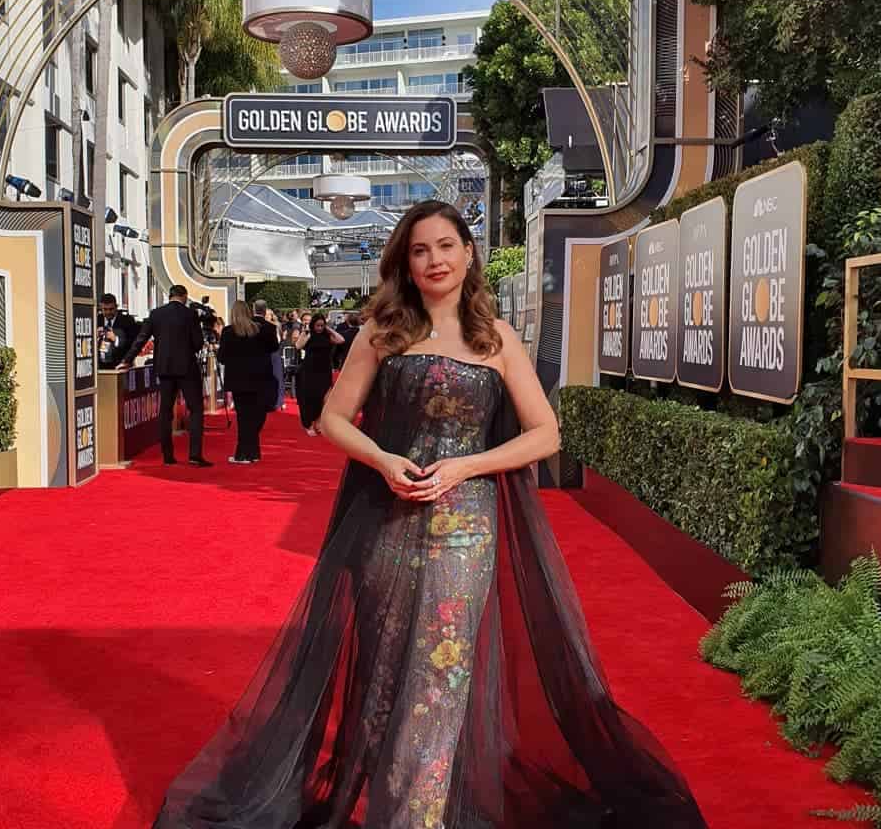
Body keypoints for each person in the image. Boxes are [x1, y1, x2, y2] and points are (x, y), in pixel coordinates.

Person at [152, 200, 707, 829]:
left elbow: (545, 433)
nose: (434, 260)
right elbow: (333, 418)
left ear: (468, 253)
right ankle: (391, 798)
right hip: (385, 522)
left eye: (445, 246)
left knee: (441, 674)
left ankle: (415, 817)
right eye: (420, 250)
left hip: (465, 528)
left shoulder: (497, 339)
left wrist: (467, 466)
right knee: (385, 670)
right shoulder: (382, 332)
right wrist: (383, 459)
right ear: (406, 264)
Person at [119, 284, 208, 467]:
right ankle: (194, 455)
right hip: (187, 367)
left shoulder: (156, 314)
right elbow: (198, 342)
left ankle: (167, 456)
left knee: (165, 411)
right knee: (196, 409)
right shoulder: (190, 314)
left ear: (170, 296)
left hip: (164, 367)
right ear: (184, 296)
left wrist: (127, 360)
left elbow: (141, 338)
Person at [217, 300, 278, 464]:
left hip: (239, 380)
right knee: (255, 415)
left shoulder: (228, 332)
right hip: (260, 379)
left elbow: (221, 357)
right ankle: (251, 452)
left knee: (244, 417)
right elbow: (273, 348)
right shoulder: (262, 330)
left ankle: (244, 453)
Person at [294, 312, 344, 436]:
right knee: (310, 399)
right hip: (309, 371)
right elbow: (298, 346)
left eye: (322, 325)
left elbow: (341, 340)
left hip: (324, 370)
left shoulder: (327, 335)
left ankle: (319, 422)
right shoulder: (308, 334)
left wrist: (328, 329)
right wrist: (306, 333)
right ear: (313, 324)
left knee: (325, 399)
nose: (320, 328)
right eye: (318, 325)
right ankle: (309, 424)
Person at [253, 300, 287, 411]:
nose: (267, 316)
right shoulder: (260, 326)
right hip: (265, 354)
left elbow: (278, 341)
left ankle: (279, 401)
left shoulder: (274, 326)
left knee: (277, 377)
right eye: (266, 314)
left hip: (274, 355)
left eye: (269, 315)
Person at [96, 293, 138, 369]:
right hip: (100, 366)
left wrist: (116, 339)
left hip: (120, 365)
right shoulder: (96, 320)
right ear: (101, 308)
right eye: (105, 309)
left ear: (116, 307)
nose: (108, 312)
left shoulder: (127, 321)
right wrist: (96, 337)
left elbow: (133, 344)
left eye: (111, 309)